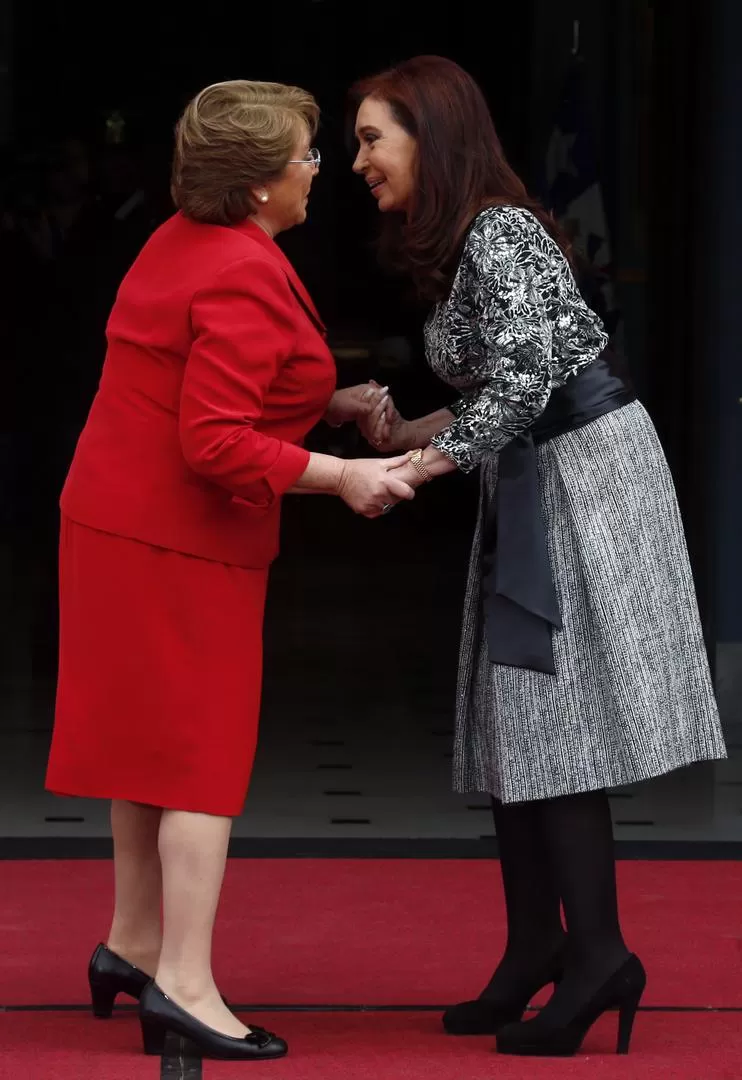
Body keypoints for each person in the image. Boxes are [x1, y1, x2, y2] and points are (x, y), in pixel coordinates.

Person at [350, 55, 726, 1058]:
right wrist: (412, 434)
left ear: (430, 137)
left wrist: (422, 466)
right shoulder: (476, 236)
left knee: (555, 720)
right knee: (520, 718)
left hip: (581, 475)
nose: (358, 160)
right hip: (534, 474)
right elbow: (509, 388)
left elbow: (523, 387)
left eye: (372, 137)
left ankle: (597, 954)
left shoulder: (501, 230)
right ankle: (536, 947)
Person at [45, 79, 414, 1064]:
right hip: (172, 539)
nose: (316, 172)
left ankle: (131, 942)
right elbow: (212, 439)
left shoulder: (180, 237)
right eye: (306, 157)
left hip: (114, 523)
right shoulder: (244, 270)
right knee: (200, 760)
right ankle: (186, 985)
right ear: (258, 187)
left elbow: (200, 373)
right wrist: (343, 475)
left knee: (145, 749)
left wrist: (322, 400)